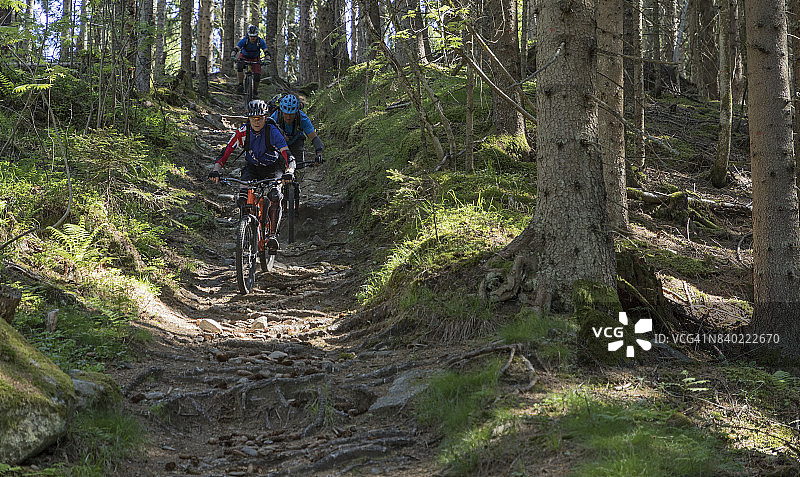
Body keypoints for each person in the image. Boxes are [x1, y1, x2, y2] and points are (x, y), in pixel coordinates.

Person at [208, 99, 295, 251]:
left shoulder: (272, 132)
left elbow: (287, 154)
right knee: (243, 198)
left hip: (273, 168)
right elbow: (226, 152)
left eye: (260, 118)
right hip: (252, 167)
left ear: (265, 118)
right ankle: (246, 231)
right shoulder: (243, 132)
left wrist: (289, 171)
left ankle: (272, 235)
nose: (256, 122)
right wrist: (216, 170)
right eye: (253, 118)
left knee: (275, 195)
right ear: (248, 119)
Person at [270, 94, 325, 166]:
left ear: (296, 112)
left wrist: (319, 154)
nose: (288, 117)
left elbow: (314, 137)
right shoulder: (274, 118)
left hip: (296, 141)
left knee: (298, 166)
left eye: (291, 114)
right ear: (281, 111)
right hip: (279, 143)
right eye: (286, 114)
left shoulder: (302, 118)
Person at [232, 25, 271, 96]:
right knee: (239, 65)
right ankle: (240, 84)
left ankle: (255, 91)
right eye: (251, 36)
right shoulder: (245, 40)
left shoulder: (260, 41)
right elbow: (236, 49)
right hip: (244, 56)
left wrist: (267, 59)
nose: (253, 38)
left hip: (255, 57)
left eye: (254, 36)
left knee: (257, 75)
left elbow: (266, 52)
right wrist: (233, 56)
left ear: (257, 36)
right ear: (248, 36)